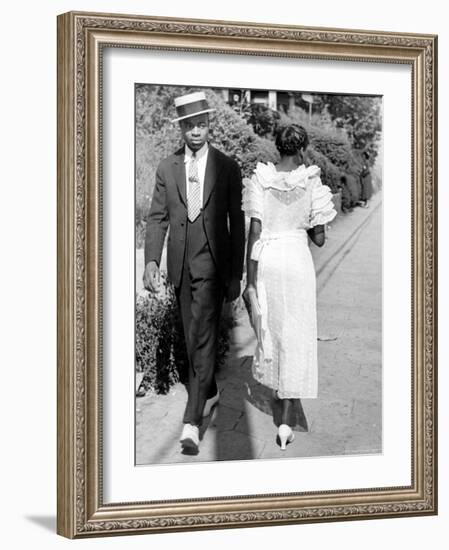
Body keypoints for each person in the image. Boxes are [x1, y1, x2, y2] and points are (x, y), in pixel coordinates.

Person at [143, 91, 245, 452]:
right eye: (189, 126)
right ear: (181, 128)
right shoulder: (166, 168)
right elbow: (156, 218)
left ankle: (192, 421)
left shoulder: (227, 167)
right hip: (181, 265)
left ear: (209, 126)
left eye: (201, 124)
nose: (196, 132)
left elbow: (237, 221)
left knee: (202, 334)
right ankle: (211, 390)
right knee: (191, 336)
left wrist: (236, 274)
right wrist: (151, 261)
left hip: (214, 267)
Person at [242, 124, 337, 450]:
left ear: (277, 146)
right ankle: (285, 420)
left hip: (268, 260)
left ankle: (278, 392)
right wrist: (308, 224)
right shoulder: (311, 181)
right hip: (297, 261)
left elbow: (254, 231)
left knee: (273, 331)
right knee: (297, 334)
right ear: (302, 148)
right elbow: (320, 238)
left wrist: (249, 281)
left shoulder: (260, 179)